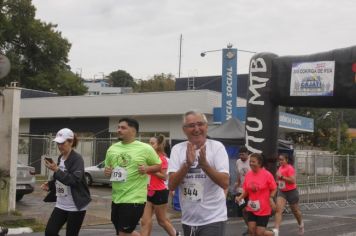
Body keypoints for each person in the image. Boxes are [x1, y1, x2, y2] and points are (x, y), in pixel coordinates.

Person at [168, 110, 230, 236]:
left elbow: (225, 182)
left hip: (213, 217)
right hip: (188, 219)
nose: (196, 129)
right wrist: (187, 165)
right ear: (184, 129)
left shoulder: (217, 147)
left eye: (200, 124)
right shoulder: (177, 149)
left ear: (206, 127)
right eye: (191, 125)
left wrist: (205, 165)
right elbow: (171, 185)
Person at [104, 117, 162, 236]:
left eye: (123, 128)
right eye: (118, 127)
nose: (119, 130)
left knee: (123, 233)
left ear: (133, 130)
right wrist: (108, 171)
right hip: (116, 198)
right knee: (122, 232)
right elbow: (108, 169)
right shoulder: (112, 149)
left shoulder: (145, 148)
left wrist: (147, 169)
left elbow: (158, 166)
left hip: (134, 199)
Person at [41, 128, 91, 236]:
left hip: (76, 206)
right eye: (58, 143)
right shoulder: (60, 158)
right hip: (61, 205)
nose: (59, 146)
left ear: (71, 142)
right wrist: (50, 184)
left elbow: (74, 180)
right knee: (50, 232)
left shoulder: (77, 159)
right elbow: (60, 178)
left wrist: (56, 170)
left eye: (62, 143)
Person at [140, 134, 180, 236]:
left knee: (162, 221)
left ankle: (176, 234)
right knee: (145, 221)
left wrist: (149, 169)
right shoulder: (148, 158)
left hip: (160, 192)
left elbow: (164, 176)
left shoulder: (162, 158)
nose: (149, 145)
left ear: (158, 145)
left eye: (152, 143)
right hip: (148, 191)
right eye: (149, 143)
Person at [235, 153, 277, 236]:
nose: (251, 163)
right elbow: (246, 190)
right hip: (252, 207)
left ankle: (274, 233)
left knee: (259, 233)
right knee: (251, 231)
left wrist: (271, 198)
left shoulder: (267, 175)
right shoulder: (248, 175)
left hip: (264, 208)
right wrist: (240, 197)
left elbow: (274, 188)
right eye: (250, 162)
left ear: (259, 163)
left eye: (253, 162)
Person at [272, 153, 304, 236]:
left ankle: (300, 224)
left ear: (286, 160)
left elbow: (293, 181)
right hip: (282, 191)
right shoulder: (279, 168)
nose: (280, 161)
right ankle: (276, 231)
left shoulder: (290, 168)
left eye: (282, 160)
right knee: (279, 210)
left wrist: (282, 177)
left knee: (295, 211)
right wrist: (277, 182)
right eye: (279, 160)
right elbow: (279, 180)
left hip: (291, 191)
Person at [233, 146, 250, 235]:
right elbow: (239, 175)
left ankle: (253, 228)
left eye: (243, 155)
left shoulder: (252, 160)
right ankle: (250, 228)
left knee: (249, 210)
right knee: (243, 209)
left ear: (247, 153)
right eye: (240, 155)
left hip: (251, 189)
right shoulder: (238, 162)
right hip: (241, 189)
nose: (241, 156)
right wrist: (237, 183)